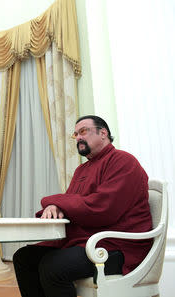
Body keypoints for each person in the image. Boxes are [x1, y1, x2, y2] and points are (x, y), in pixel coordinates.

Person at [13, 115, 153, 297]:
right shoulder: (82, 169)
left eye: (83, 131)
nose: (78, 137)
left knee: (53, 267)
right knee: (24, 258)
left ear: (103, 133)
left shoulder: (123, 161)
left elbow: (102, 209)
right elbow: (72, 203)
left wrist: (54, 200)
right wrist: (56, 206)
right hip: (87, 240)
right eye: (76, 134)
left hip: (117, 245)